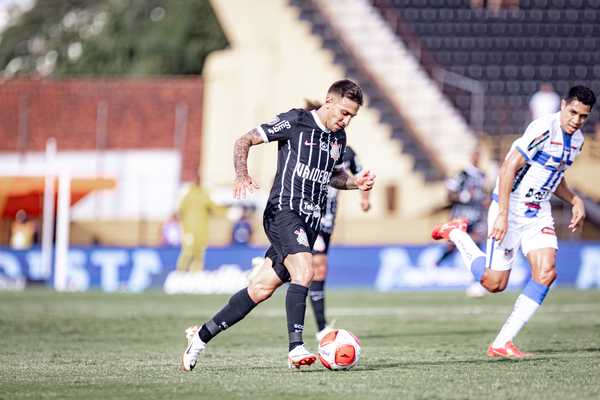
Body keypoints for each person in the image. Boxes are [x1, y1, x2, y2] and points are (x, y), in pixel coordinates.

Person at [181, 79, 375, 371]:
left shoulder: (338, 139)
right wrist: (241, 174)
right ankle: (296, 347)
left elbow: (332, 176)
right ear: (329, 101)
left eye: (352, 116)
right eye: (344, 112)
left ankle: (200, 337)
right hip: (283, 212)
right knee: (306, 270)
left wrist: (354, 182)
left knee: (260, 289)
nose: (346, 120)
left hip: (309, 222)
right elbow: (244, 140)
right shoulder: (296, 121)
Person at [432, 85, 596, 358]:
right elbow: (509, 166)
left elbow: (553, 177)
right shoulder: (543, 129)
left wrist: (575, 200)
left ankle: (501, 343)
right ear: (563, 105)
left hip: (538, 210)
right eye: (573, 112)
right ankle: (458, 234)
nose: (576, 120)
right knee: (493, 283)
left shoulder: (577, 141)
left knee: (546, 273)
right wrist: (503, 215)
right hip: (511, 206)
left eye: (583, 117)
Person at [311, 145, 371, 341]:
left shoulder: (347, 153)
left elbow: (362, 174)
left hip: (328, 222)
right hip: (308, 216)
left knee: (306, 270)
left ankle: (272, 265)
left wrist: (364, 198)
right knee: (318, 267)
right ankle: (321, 328)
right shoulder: (311, 143)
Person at [433, 146, 488, 298]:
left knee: (477, 246)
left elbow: (482, 194)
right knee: (453, 246)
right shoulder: (462, 174)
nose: (476, 158)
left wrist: (485, 201)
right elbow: (449, 195)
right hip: (461, 217)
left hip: (477, 217)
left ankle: (476, 280)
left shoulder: (482, 175)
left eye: (478, 155)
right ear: (470, 156)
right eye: (474, 154)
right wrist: (463, 197)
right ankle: (436, 265)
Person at [175, 172, 224, 272]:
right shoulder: (188, 195)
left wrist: (225, 212)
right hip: (189, 230)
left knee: (199, 254)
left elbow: (214, 208)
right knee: (187, 252)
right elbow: (180, 211)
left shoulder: (204, 194)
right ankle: (180, 272)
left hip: (201, 231)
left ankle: (195, 275)